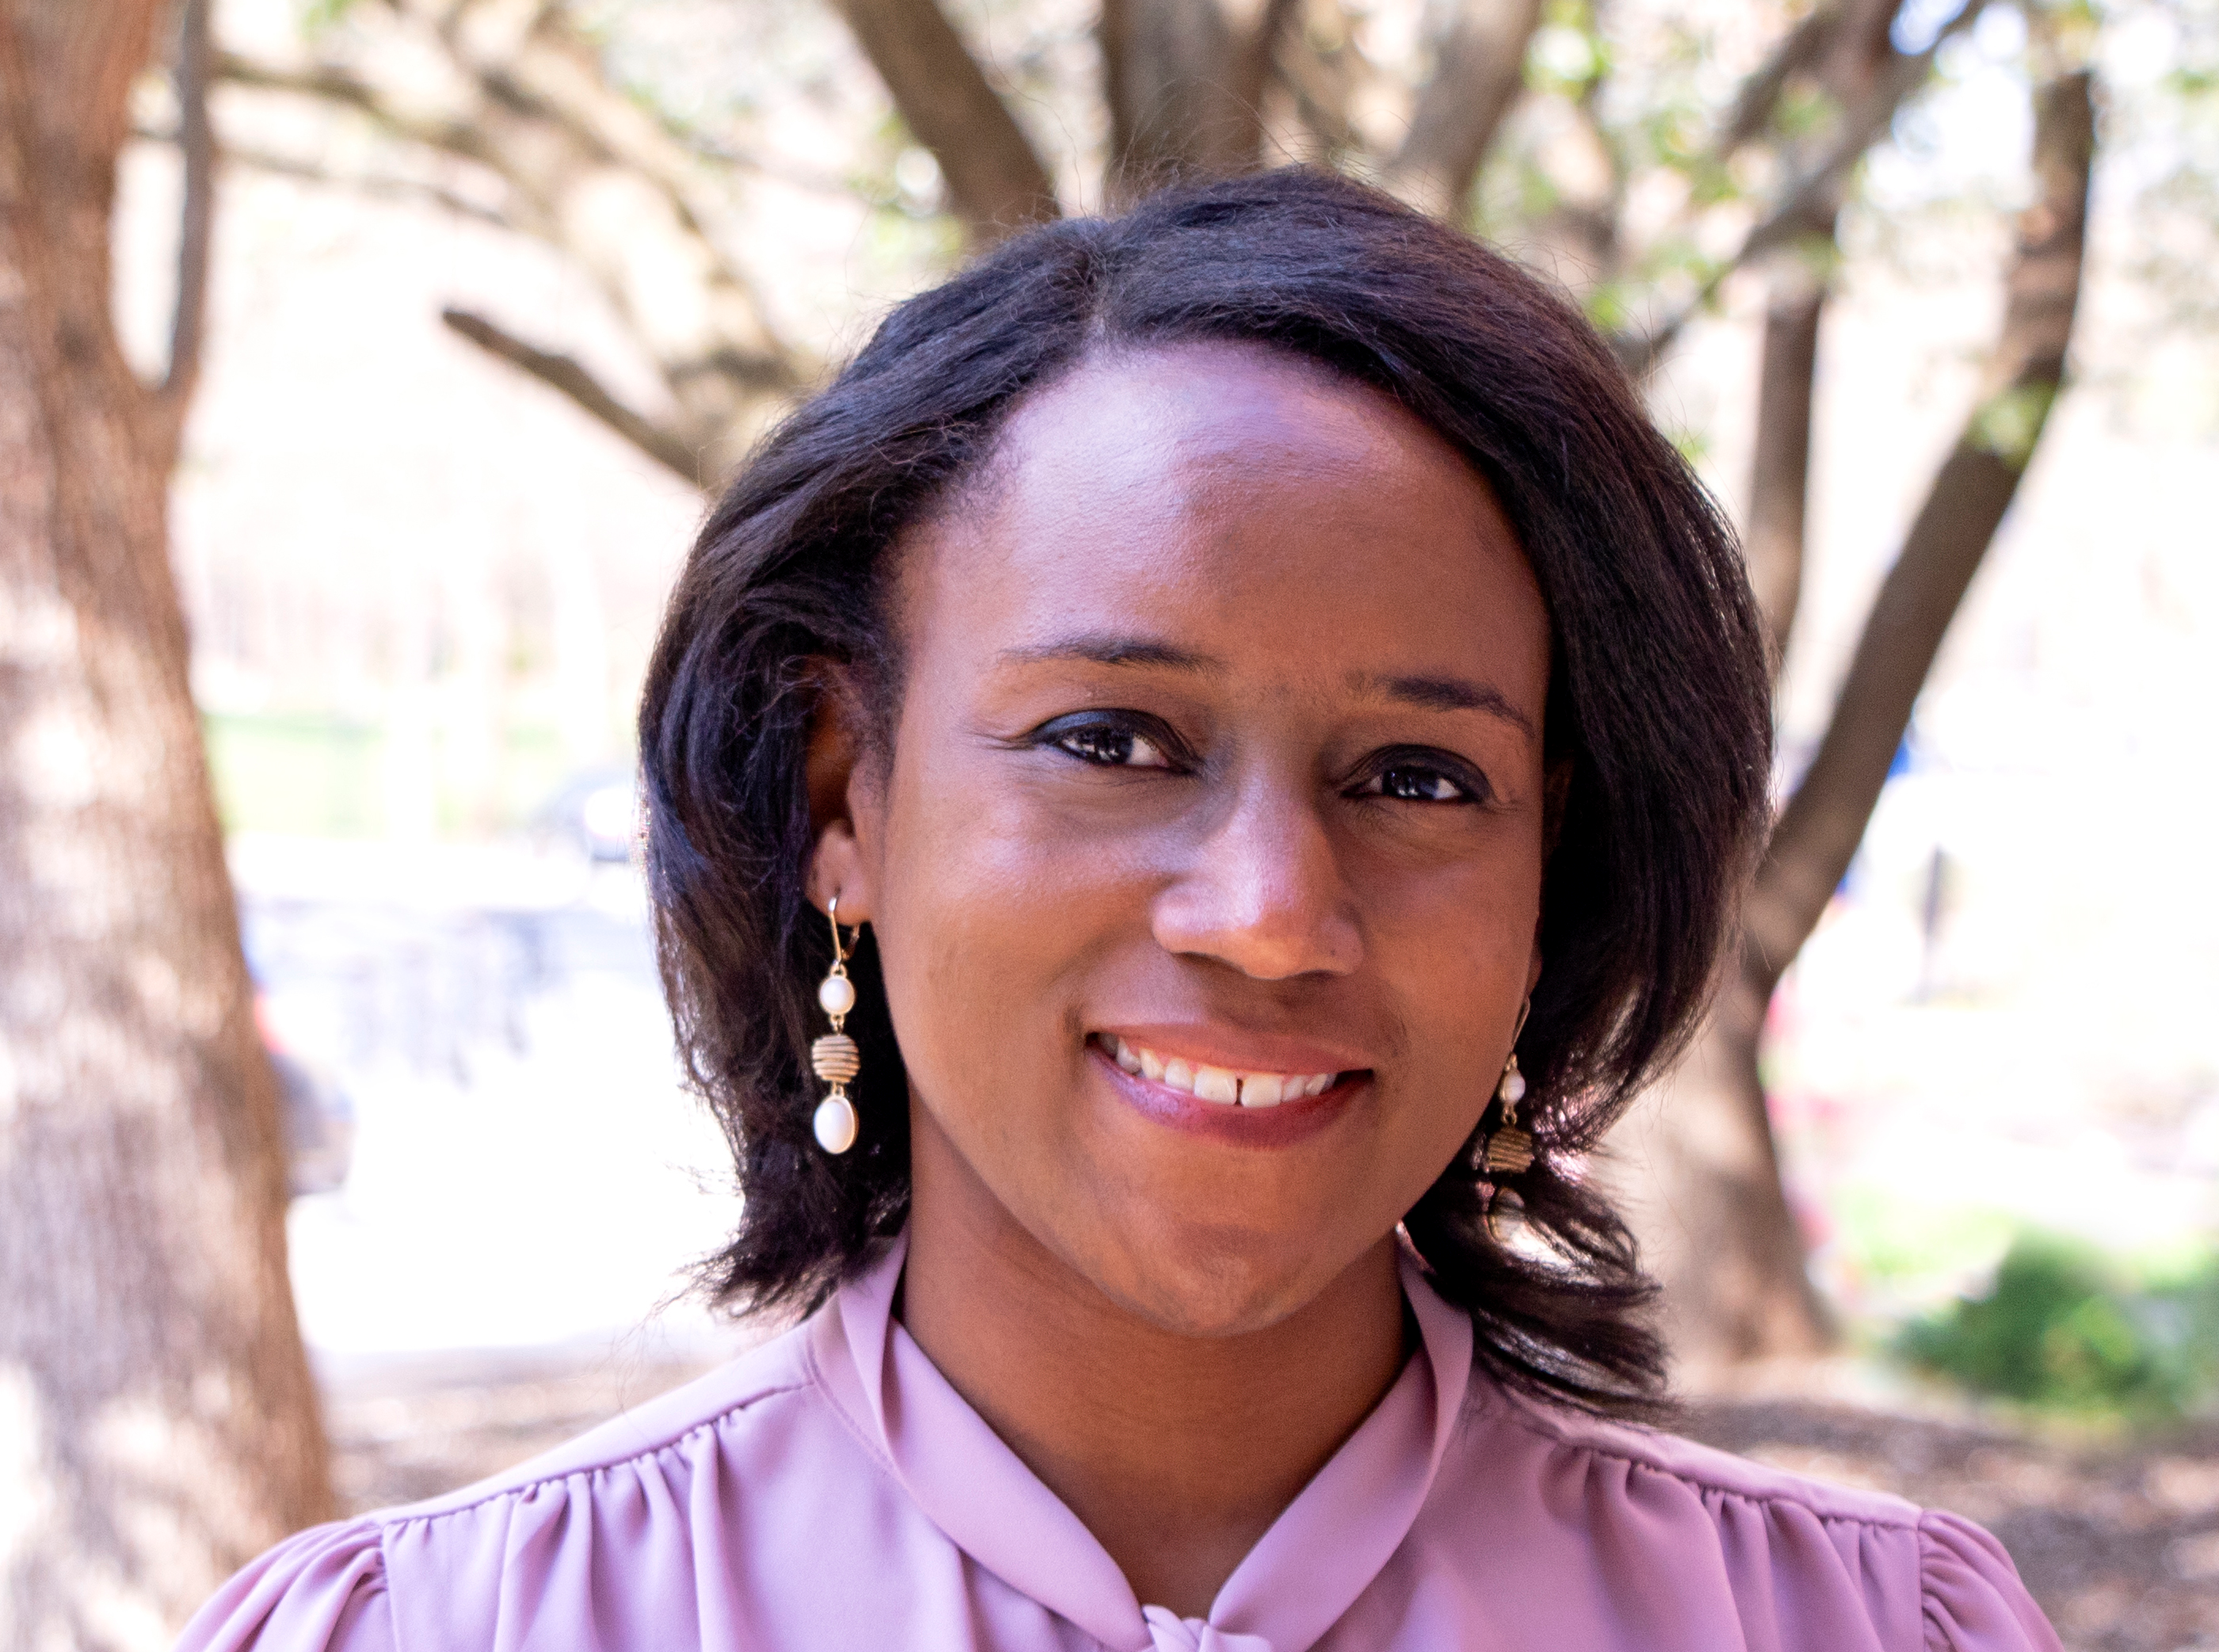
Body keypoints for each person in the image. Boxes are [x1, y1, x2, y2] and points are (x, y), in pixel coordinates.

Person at [178, 168, 2060, 1652]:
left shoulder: (1855, 1628)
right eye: (1110, 737)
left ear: (1548, 868)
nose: (1267, 914)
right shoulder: (449, 1631)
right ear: (847, 793)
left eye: (1418, 776)